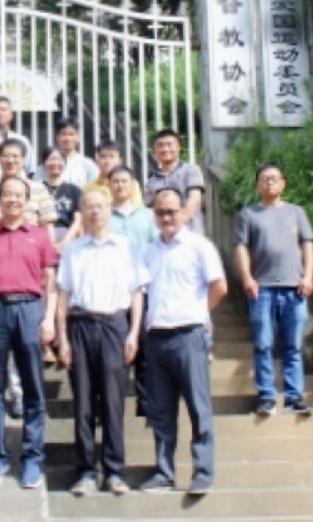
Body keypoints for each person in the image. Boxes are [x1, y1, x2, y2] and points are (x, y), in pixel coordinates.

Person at [0, 176, 58, 490]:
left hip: (30, 309)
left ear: (27, 200)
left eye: (19, 195)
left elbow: (51, 281)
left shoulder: (40, 236)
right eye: (8, 194)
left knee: (33, 387)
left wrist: (48, 320)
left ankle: (32, 458)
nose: (13, 200)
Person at [56, 189, 147, 497]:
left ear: (109, 210)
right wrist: (62, 339)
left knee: (112, 401)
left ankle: (114, 471)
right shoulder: (73, 250)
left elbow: (137, 293)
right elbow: (63, 295)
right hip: (80, 325)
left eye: (100, 206)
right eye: (89, 207)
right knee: (82, 402)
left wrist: (134, 333)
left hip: (114, 326)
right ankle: (84, 471)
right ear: (81, 212)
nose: (95, 212)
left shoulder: (127, 247)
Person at [139, 189, 227, 497]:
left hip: (189, 335)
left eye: (172, 211)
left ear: (183, 213)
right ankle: (164, 473)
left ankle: (202, 471)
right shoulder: (149, 251)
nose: (166, 217)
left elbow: (220, 286)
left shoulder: (199, 246)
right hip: (156, 338)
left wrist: (201, 314)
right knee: (161, 412)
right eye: (160, 212)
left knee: (198, 408)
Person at [0, 139, 57, 421]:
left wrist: (44, 268)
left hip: (27, 273)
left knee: (24, 348)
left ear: (24, 159)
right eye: (6, 156)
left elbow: (47, 232)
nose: (11, 161)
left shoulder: (37, 189)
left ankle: (17, 394)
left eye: (16, 156)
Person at [234, 163, 313, 417]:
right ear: (257, 185)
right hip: (263, 290)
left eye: (274, 178)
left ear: (283, 183)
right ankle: (267, 397)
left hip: (294, 289)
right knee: (263, 344)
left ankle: (294, 398)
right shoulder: (248, 214)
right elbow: (241, 248)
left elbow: (308, 245)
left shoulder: (296, 212)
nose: (269, 182)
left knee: (293, 345)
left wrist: (309, 275)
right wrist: (247, 278)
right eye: (264, 179)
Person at [108, 164, 157, 417]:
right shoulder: (103, 215)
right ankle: (111, 406)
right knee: (116, 350)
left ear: (133, 185)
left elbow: (156, 249)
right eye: (115, 181)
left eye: (124, 181)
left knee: (145, 349)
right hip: (112, 294)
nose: (120, 186)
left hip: (143, 289)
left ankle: (145, 403)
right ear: (109, 186)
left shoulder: (147, 216)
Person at [143, 129, 206, 234]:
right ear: (155, 150)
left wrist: (177, 222)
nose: (165, 149)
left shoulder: (190, 170)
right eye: (160, 145)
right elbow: (149, 212)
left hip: (190, 235)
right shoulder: (151, 181)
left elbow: (195, 199)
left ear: (179, 147)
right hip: (163, 239)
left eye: (169, 144)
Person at [37, 145, 82, 249]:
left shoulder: (74, 190)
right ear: (43, 164)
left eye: (60, 159)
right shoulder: (36, 188)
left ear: (65, 163)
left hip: (68, 235)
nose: (56, 163)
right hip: (42, 237)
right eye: (51, 159)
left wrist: (65, 242)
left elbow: (77, 220)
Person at [54, 117, 98, 187]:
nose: (67, 138)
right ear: (57, 137)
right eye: (63, 134)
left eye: (71, 134)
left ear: (78, 137)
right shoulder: (50, 163)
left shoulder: (88, 164)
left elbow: (94, 188)